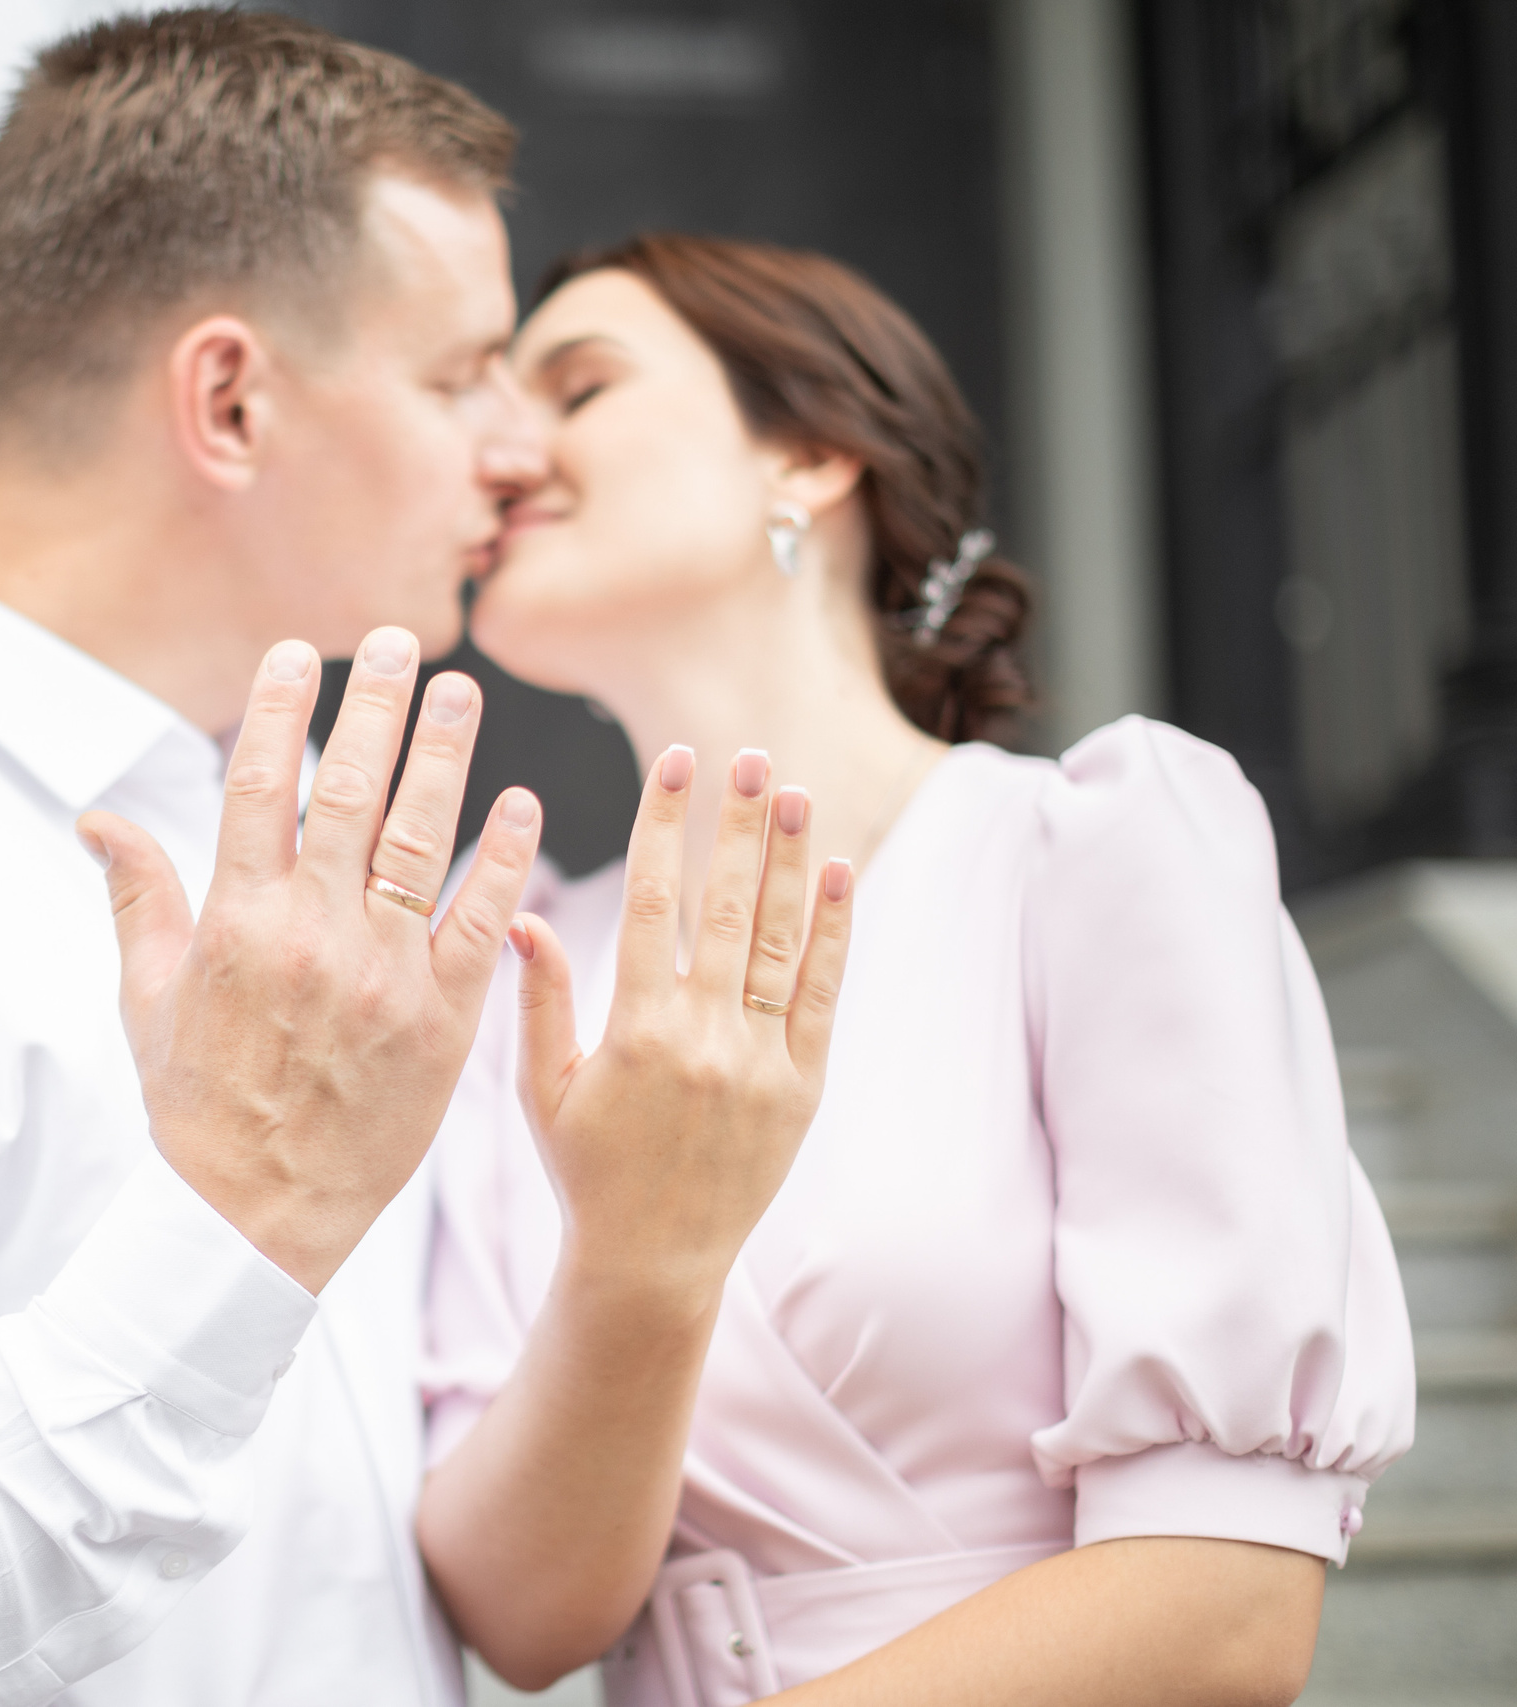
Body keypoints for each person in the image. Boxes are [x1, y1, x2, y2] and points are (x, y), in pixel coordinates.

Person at [0, 17, 842, 1707]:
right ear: (225, 400)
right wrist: (242, 1210)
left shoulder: (312, 872)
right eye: (456, 377)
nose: (520, 451)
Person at [416, 233, 1419, 1706]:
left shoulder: (1100, 850)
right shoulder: (514, 969)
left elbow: (1224, 1610)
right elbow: (522, 1619)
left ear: (813, 457)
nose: (505, 447)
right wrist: (642, 1264)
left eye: (578, 384)